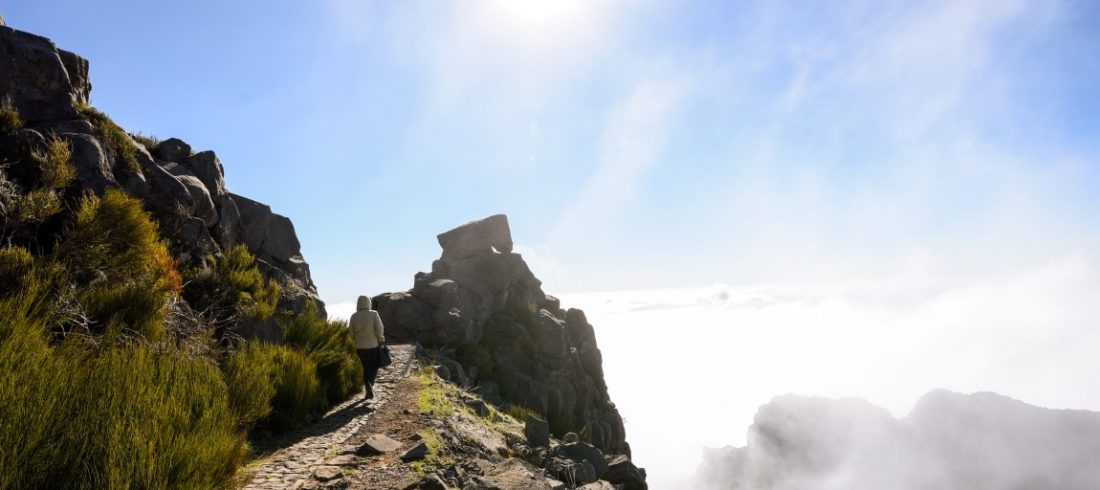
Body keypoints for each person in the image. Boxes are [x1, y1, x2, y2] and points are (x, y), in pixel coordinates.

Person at [348, 295, 385, 399]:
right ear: (368, 303)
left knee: (365, 367)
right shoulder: (374, 314)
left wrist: (356, 339)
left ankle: (367, 387)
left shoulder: (354, 316)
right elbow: (379, 328)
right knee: (374, 366)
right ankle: (370, 384)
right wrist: (380, 338)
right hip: (373, 345)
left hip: (359, 347)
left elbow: (350, 332)